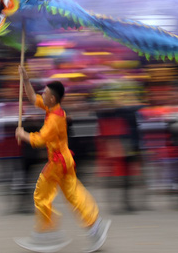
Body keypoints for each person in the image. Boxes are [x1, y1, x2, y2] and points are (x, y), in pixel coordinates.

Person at [14, 66, 111, 253]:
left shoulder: (55, 119)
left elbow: (40, 139)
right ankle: (95, 226)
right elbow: (33, 98)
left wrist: (23, 134)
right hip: (64, 160)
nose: (42, 94)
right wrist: (25, 80)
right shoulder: (53, 108)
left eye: (46, 93)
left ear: (52, 98)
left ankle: (48, 233)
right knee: (74, 195)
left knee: (41, 195)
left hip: (58, 163)